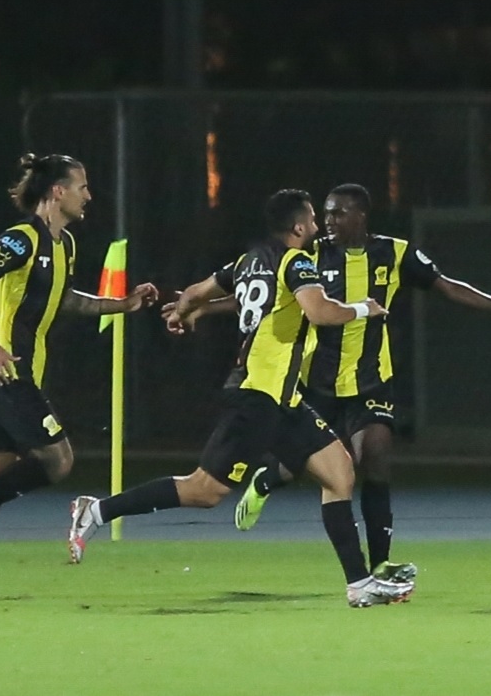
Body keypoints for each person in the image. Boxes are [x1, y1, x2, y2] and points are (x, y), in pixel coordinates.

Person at [66, 188, 415, 608]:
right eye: (312, 219)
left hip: (282, 400)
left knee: (339, 473)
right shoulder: (296, 261)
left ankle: (359, 583)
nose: (318, 226)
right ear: (300, 226)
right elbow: (320, 313)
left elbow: (196, 289)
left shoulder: (249, 260)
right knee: (204, 491)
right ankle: (98, 511)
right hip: (257, 396)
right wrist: (363, 309)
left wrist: (182, 311)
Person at [226, 183, 491, 583]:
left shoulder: (394, 253)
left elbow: (448, 286)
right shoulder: (308, 254)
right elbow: (265, 295)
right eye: (325, 213)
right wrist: (200, 309)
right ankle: (267, 479)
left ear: (361, 216)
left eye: (337, 213)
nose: (328, 221)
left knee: (375, 457)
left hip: (370, 384)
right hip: (317, 383)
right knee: (300, 468)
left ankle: (379, 564)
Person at [0, 153, 159, 599]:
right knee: (57, 460)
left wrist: (123, 304)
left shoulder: (63, 245)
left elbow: (66, 299)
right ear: (58, 191)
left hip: (23, 373)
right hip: (5, 374)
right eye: (82, 186)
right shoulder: (22, 239)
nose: (88, 195)